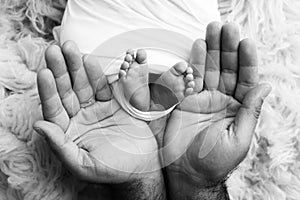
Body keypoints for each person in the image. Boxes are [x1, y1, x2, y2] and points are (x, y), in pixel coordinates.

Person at [33, 20, 271, 199]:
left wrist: (140, 179)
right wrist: (198, 183)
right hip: (179, 67)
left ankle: (151, 116)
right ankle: (154, 115)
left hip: (104, 86)